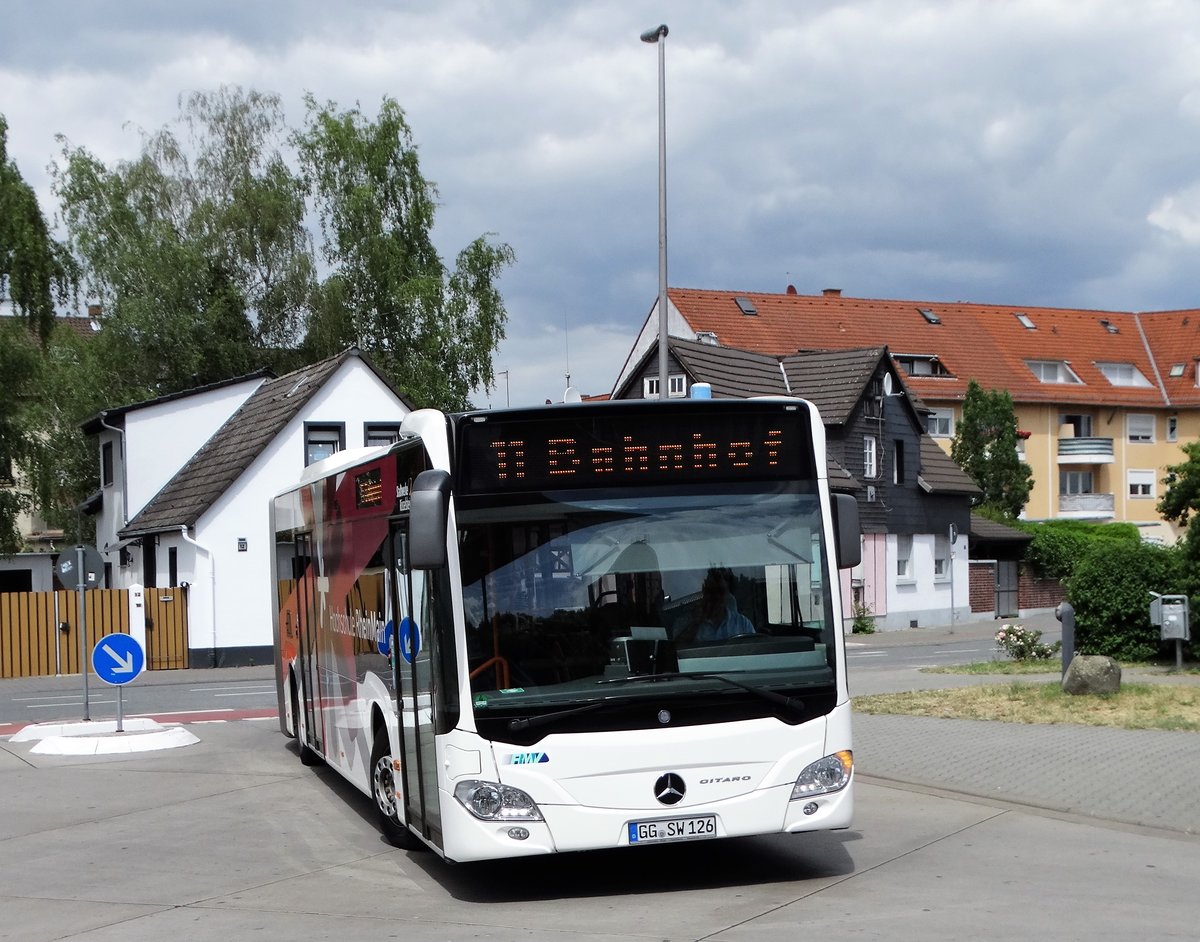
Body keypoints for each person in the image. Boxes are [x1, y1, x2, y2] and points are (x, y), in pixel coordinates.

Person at [678, 567, 754, 642]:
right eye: (711, 591)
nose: (716, 596)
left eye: (720, 591)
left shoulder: (743, 624)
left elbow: (754, 647)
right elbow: (677, 646)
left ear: (727, 594)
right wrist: (695, 623)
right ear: (704, 593)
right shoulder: (687, 621)